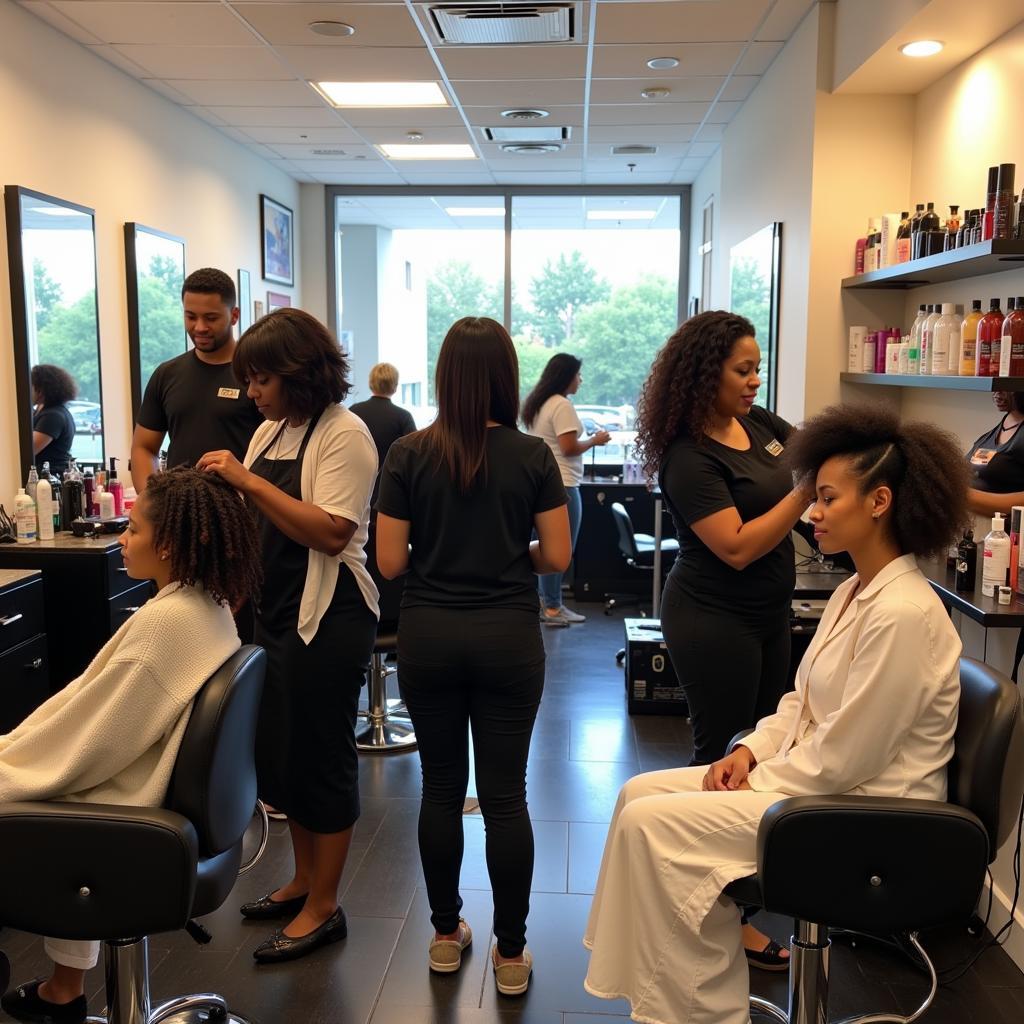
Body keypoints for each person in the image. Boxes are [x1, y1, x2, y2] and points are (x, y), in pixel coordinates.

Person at [584, 403, 969, 1024]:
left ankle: (702, 1013)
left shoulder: (902, 614)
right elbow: (800, 701)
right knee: (636, 794)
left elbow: (845, 758)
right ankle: (678, 1001)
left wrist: (758, 777)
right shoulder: (854, 590)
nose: (811, 512)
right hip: (825, 786)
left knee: (655, 829)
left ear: (879, 502)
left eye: (826, 498)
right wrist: (749, 752)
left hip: (872, 813)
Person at [0, 468, 260, 1024]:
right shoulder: (204, 606)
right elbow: (97, 718)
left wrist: (10, 764)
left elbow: (90, 742)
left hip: (136, 811)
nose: (121, 537)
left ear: (167, 543)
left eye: (133, 529)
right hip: (176, 805)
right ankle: (62, 991)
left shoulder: (168, 624)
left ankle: (59, 992)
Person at [375, 317, 571, 996]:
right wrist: (510, 555)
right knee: (506, 797)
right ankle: (511, 954)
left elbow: (390, 562)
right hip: (508, 639)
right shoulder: (533, 456)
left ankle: (442, 935)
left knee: (438, 789)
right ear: (505, 377)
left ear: (445, 375)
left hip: (428, 637)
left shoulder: (406, 454)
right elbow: (561, 555)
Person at [198, 308, 379, 965]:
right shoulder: (270, 432)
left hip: (328, 618)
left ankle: (324, 905)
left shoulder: (345, 435)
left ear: (299, 374)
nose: (252, 393)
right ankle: (303, 880)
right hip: (276, 613)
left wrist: (244, 481)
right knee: (284, 754)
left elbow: (332, 530)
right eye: (249, 381)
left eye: (262, 379)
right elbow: (258, 525)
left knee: (322, 754)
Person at [131, 267, 263, 491]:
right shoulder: (166, 374)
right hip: (182, 510)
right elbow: (144, 448)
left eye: (211, 318)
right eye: (191, 316)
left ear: (234, 315)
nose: (199, 327)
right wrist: (152, 504)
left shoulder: (258, 375)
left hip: (244, 511)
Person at [522, 353, 610, 627]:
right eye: (578, 375)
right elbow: (569, 447)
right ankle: (552, 607)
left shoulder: (540, 403)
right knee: (560, 548)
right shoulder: (562, 405)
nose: (580, 380)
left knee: (542, 545)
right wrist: (595, 440)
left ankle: (544, 602)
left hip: (539, 483)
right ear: (566, 376)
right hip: (563, 483)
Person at [348, 362, 416, 509]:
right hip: (388, 492)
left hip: (355, 489)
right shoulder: (403, 417)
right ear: (395, 385)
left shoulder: (353, 412)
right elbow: (414, 457)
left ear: (371, 383)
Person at [966, 390, 1024, 520]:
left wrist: (963, 495)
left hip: (1005, 533)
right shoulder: (1002, 426)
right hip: (974, 525)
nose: (997, 393)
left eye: (1005, 388)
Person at [30, 364, 77, 475]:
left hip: (51, 479)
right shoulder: (42, 411)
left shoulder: (53, 416)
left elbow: (28, 449)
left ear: (41, 389)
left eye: (30, 386)